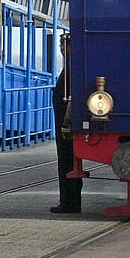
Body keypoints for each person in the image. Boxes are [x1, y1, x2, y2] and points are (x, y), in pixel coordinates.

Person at [51, 33, 82, 214]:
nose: (62, 50)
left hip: (66, 123)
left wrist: (67, 121)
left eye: (64, 46)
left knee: (66, 162)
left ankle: (69, 202)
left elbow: (72, 96)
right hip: (65, 121)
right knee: (67, 161)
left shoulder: (72, 67)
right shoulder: (71, 66)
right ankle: (69, 201)